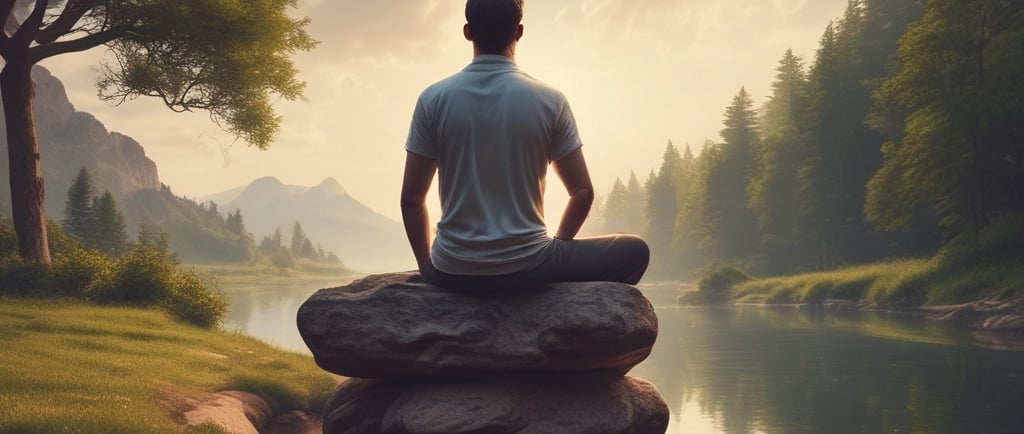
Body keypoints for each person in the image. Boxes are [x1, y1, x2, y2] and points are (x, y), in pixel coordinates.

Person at [401, 0, 649, 291]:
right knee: (634, 250)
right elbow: (582, 192)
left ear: (467, 32)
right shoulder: (550, 100)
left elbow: (412, 201)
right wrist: (557, 248)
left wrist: (428, 268)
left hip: (453, 270)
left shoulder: (432, 99)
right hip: (531, 266)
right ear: (518, 32)